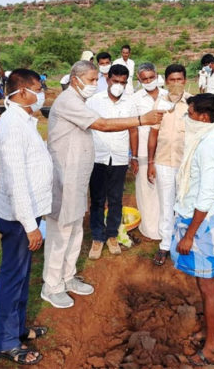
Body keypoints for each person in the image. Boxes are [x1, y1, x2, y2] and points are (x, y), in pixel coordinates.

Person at [43, 60, 162, 309]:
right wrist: (141, 119)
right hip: (65, 176)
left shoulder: (79, 101)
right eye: (92, 80)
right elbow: (103, 125)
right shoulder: (68, 102)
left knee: (75, 230)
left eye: (97, 80)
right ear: (75, 79)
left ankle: (67, 277)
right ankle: (51, 286)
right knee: (61, 233)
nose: (95, 85)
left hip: (77, 177)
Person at [169, 93, 214, 366]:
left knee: (206, 284)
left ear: (203, 117)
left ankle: (211, 348)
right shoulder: (208, 137)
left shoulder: (209, 146)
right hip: (199, 216)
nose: (187, 117)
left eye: (190, 113)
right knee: (209, 279)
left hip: (200, 222)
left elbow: (206, 194)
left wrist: (189, 234)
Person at [0, 69, 51, 364]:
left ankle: (17, 329)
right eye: (39, 88)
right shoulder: (13, 127)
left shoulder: (24, 120)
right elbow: (16, 183)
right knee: (13, 278)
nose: (43, 92)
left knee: (22, 275)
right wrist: (31, 226)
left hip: (27, 215)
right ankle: (6, 341)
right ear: (23, 93)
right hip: (18, 219)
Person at [86, 64, 133, 260]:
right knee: (97, 199)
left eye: (123, 82)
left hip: (120, 157)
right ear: (108, 79)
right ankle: (97, 237)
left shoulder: (130, 104)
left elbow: (134, 129)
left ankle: (112, 235)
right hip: (98, 156)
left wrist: (134, 156)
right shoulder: (93, 101)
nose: (118, 85)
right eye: (115, 81)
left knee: (115, 199)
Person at [147, 64, 191, 266]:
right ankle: (165, 245)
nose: (175, 84)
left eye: (179, 79)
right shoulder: (160, 103)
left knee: (184, 204)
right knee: (166, 204)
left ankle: (183, 243)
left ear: (185, 80)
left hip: (186, 164)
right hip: (163, 161)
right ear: (165, 81)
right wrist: (150, 162)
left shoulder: (192, 103)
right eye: (171, 80)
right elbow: (153, 134)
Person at [130, 62, 164, 241]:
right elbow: (133, 129)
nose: (149, 81)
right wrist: (134, 156)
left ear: (157, 76)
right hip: (143, 150)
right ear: (139, 79)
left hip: (166, 151)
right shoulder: (135, 99)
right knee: (146, 188)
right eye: (145, 79)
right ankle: (149, 229)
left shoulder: (167, 96)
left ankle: (164, 226)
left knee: (164, 189)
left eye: (152, 77)